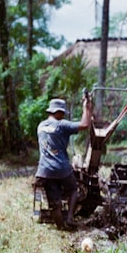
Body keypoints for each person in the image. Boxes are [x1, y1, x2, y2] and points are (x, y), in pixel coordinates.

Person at [35, 95, 92, 229]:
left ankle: (61, 226)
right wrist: (86, 106)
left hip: (44, 170)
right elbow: (85, 124)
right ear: (58, 112)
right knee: (73, 189)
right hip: (61, 168)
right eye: (62, 113)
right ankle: (70, 218)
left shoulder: (41, 126)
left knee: (54, 202)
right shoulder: (62, 125)